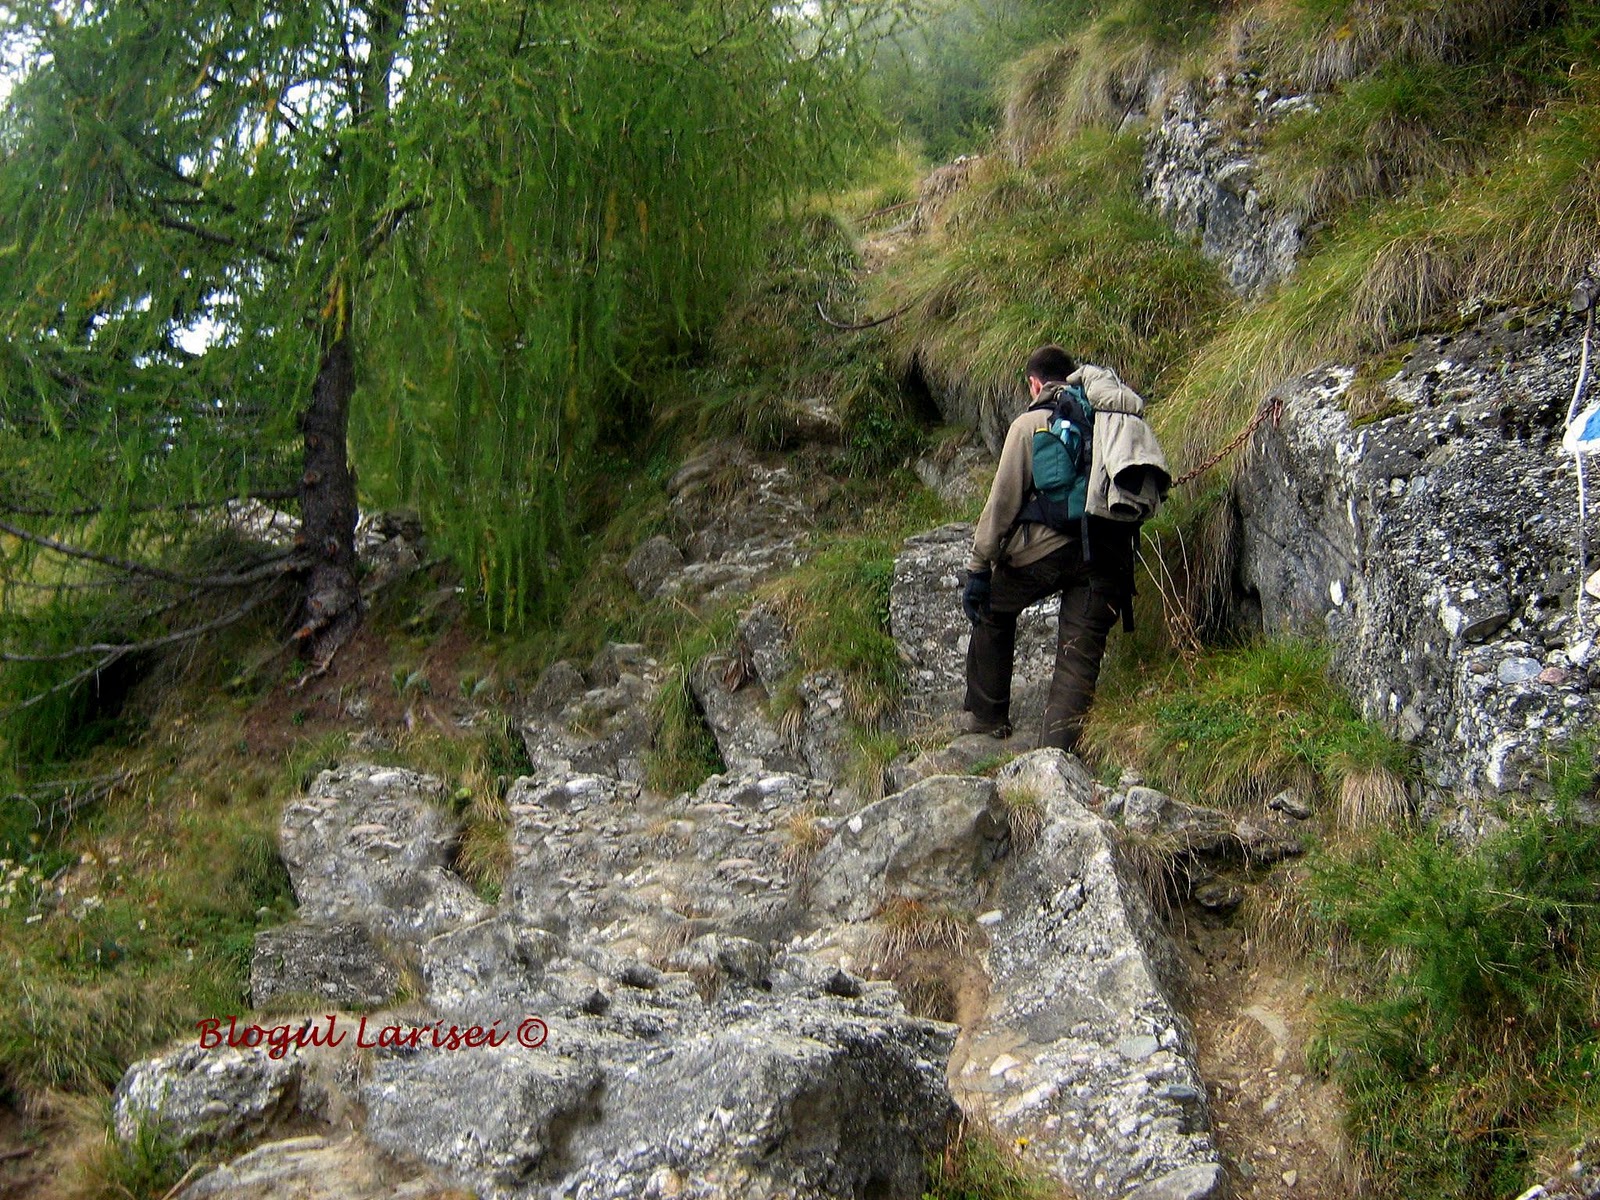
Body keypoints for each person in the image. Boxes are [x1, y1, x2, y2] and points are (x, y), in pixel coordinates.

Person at [960, 344, 1166, 751]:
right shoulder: (1109, 421)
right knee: (1077, 658)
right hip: (1108, 552)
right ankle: (1056, 754)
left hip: (1044, 551)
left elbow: (1001, 503)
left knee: (992, 609)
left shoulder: (1031, 423)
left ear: (1035, 384)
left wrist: (979, 566)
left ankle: (987, 719)